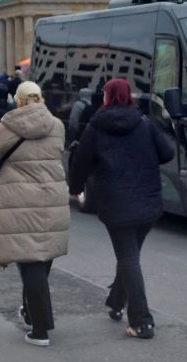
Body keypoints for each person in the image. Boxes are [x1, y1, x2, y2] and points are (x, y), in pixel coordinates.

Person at [69, 77, 174, 340]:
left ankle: (142, 321)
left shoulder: (96, 126)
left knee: (128, 257)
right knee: (131, 255)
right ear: (130, 96)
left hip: (115, 203)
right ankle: (116, 302)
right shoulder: (144, 123)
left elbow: (81, 162)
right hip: (148, 201)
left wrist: (75, 187)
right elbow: (168, 153)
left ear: (106, 97)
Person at [0, 80, 69, 347]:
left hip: (21, 199)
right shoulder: (57, 126)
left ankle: (40, 329)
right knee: (42, 257)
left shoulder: (10, 126)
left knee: (30, 263)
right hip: (52, 197)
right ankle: (33, 313)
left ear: (19, 101)